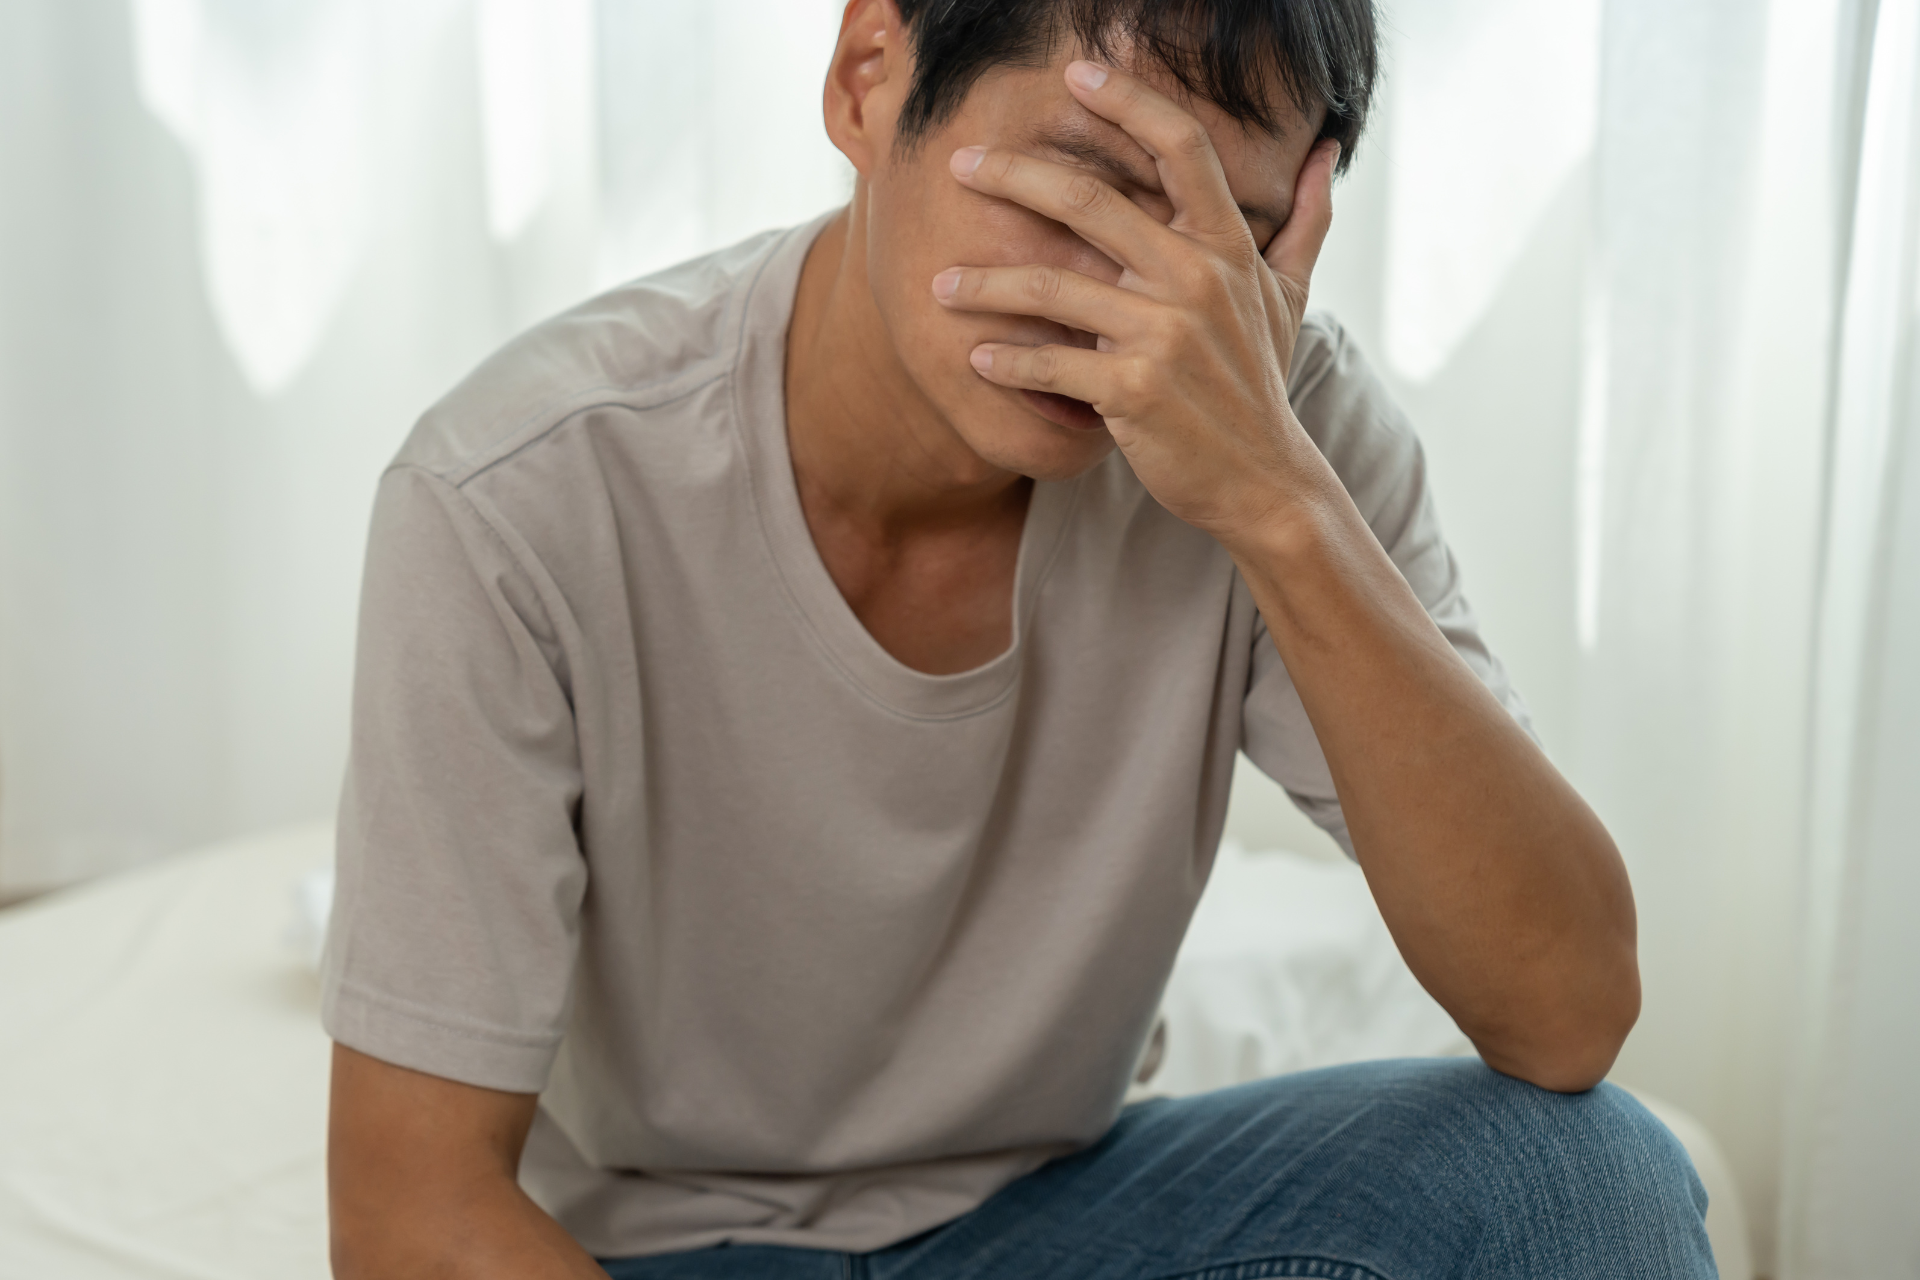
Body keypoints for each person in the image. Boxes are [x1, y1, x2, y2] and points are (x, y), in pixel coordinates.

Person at [322, 1, 1717, 1276]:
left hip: (1060, 1213)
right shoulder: (518, 494)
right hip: (676, 1248)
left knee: (1586, 1183)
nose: (1131, 303)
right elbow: (411, 1210)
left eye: (1214, 235)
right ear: (871, 80)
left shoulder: (1270, 426)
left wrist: (1277, 503)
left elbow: (1569, 1013)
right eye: (1085, 188)